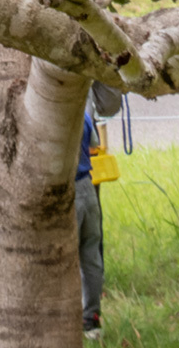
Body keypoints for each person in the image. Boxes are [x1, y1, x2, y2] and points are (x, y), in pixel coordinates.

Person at [76, 113, 104, 340]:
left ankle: (67, 316)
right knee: (91, 255)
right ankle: (92, 318)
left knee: (65, 259)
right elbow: (94, 145)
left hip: (67, 190)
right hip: (88, 186)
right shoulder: (83, 115)